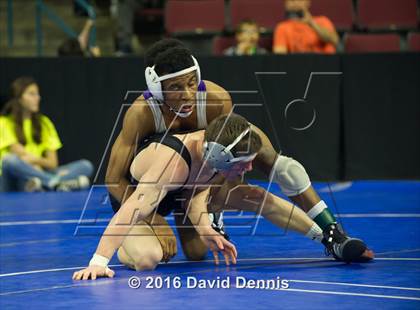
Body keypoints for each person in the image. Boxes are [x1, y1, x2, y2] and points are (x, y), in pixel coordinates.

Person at [105, 38, 373, 265]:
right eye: (175, 87)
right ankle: (132, 239)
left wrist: (210, 202)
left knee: (278, 166)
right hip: (146, 191)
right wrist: (152, 218)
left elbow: (230, 162)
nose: (187, 95)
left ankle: (333, 234)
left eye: (191, 83)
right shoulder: (142, 114)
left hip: (190, 183)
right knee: (154, 256)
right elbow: (114, 179)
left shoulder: (215, 100)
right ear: (156, 88)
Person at [74, 113, 372, 280]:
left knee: (255, 196)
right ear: (221, 158)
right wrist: (99, 261)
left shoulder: (213, 151)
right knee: (150, 258)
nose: (251, 167)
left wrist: (203, 226)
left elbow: (197, 192)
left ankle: (328, 240)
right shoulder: (171, 164)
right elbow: (130, 212)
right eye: (244, 163)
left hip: (182, 192)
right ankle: (128, 247)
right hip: (138, 198)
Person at [0, 76, 94, 192]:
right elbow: (19, 157)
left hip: (40, 173)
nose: (38, 98)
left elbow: (52, 163)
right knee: (9, 161)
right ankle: (56, 182)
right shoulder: (4, 123)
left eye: (38, 94)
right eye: (32, 94)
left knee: (85, 166)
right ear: (19, 98)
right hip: (14, 178)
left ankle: (44, 183)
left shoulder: (44, 123)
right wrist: (36, 165)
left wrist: (36, 164)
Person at [273, 0, 338, 54]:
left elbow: (334, 40)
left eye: (299, 0)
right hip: (298, 65)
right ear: (286, 5)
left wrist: (312, 24)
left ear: (308, 2)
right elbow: (279, 55)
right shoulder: (282, 27)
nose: (295, 3)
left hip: (325, 64)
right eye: (291, 1)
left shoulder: (322, 21)